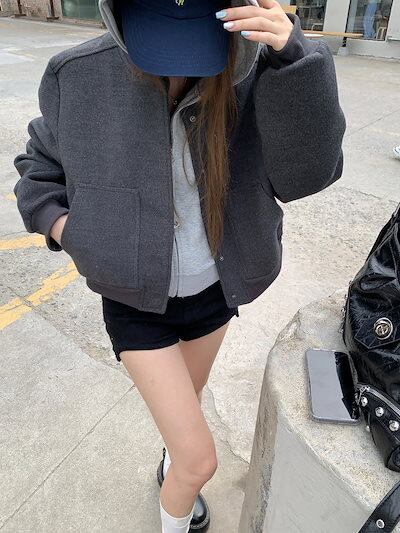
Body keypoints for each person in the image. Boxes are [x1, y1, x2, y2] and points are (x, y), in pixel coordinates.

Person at [12, 0, 346, 531]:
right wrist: (72, 232)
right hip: (135, 302)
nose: (177, 64)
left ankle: (172, 463)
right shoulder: (78, 74)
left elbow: (308, 175)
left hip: (215, 292)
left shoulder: (251, 69)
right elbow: (39, 167)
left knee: (186, 409)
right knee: (198, 460)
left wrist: (297, 60)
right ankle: (179, 491)